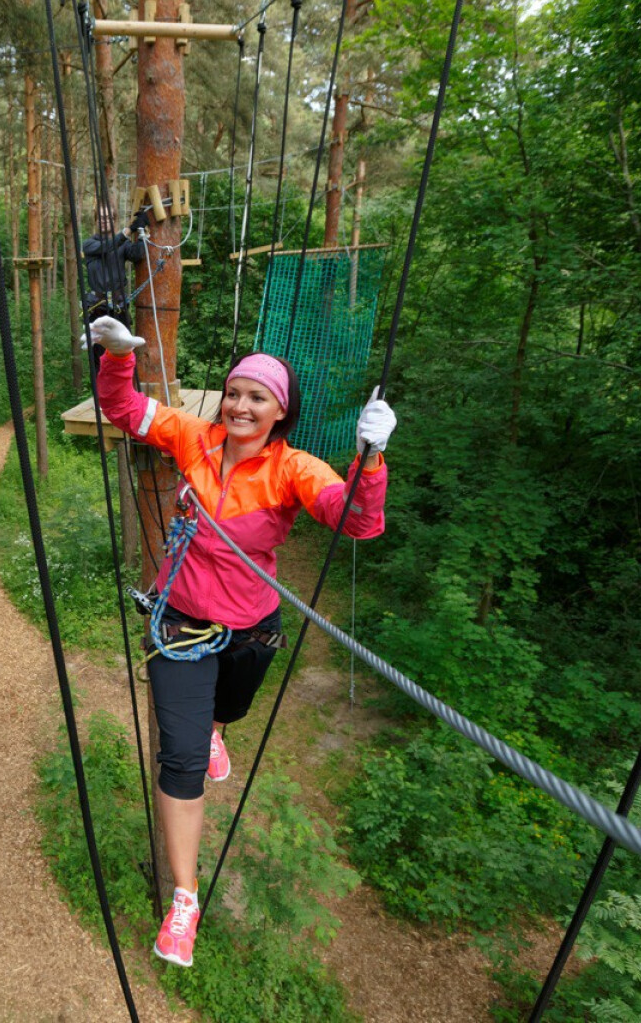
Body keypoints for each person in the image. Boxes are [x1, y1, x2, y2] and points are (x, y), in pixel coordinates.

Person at [87, 314, 395, 968]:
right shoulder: (191, 437)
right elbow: (123, 408)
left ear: (280, 413)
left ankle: (218, 728)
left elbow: (358, 523)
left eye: (257, 397)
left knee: (226, 713)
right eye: (233, 392)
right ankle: (184, 901)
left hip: (252, 633)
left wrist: (370, 461)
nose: (240, 405)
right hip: (179, 629)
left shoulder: (292, 470)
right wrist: (116, 356)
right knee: (181, 762)